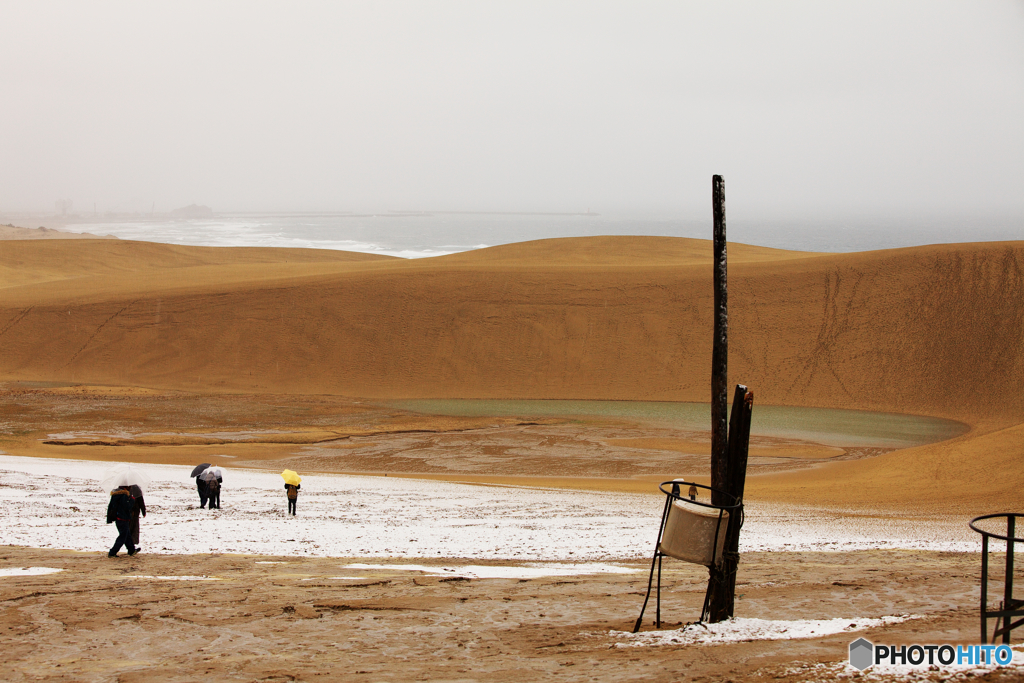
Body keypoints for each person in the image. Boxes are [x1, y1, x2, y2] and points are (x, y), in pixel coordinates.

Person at [107, 485, 137, 557]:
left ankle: (131, 550)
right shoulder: (124, 495)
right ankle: (112, 552)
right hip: (123, 518)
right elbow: (127, 507)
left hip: (118, 518)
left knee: (127, 535)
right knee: (123, 536)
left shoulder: (116, 494)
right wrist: (132, 500)